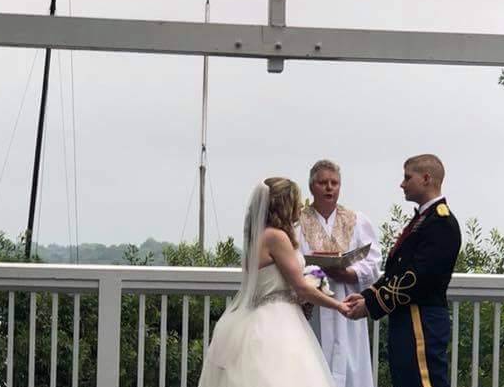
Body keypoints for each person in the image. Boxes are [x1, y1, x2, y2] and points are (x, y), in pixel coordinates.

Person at [198, 177, 349, 387]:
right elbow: (300, 287)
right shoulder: (276, 237)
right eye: (297, 200)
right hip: (277, 320)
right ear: (286, 204)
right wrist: (338, 305)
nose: (301, 205)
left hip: (260, 315)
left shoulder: (260, 235)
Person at [345, 154, 462, 387]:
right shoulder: (422, 220)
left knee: (424, 381)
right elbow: (397, 272)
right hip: (406, 317)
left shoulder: (441, 223)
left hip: (421, 318)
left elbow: (417, 278)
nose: (402, 184)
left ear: (426, 178)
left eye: (408, 177)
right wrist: (368, 295)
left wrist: (373, 304)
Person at [296, 160, 381, 387]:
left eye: (334, 183)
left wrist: (350, 273)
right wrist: (313, 271)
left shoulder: (357, 221)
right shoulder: (298, 223)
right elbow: (291, 260)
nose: (329, 188)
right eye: (323, 183)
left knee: (351, 363)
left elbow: (374, 261)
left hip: (347, 302)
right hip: (313, 305)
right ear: (312, 186)